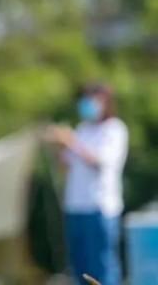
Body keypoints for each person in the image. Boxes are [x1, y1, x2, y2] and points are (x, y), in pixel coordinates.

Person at [46, 83, 128, 285]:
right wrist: (57, 146)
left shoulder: (114, 129)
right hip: (75, 207)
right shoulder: (83, 129)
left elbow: (99, 162)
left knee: (102, 267)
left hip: (99, 208)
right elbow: (66, 166)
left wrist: (71, 141)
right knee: (79, 269)